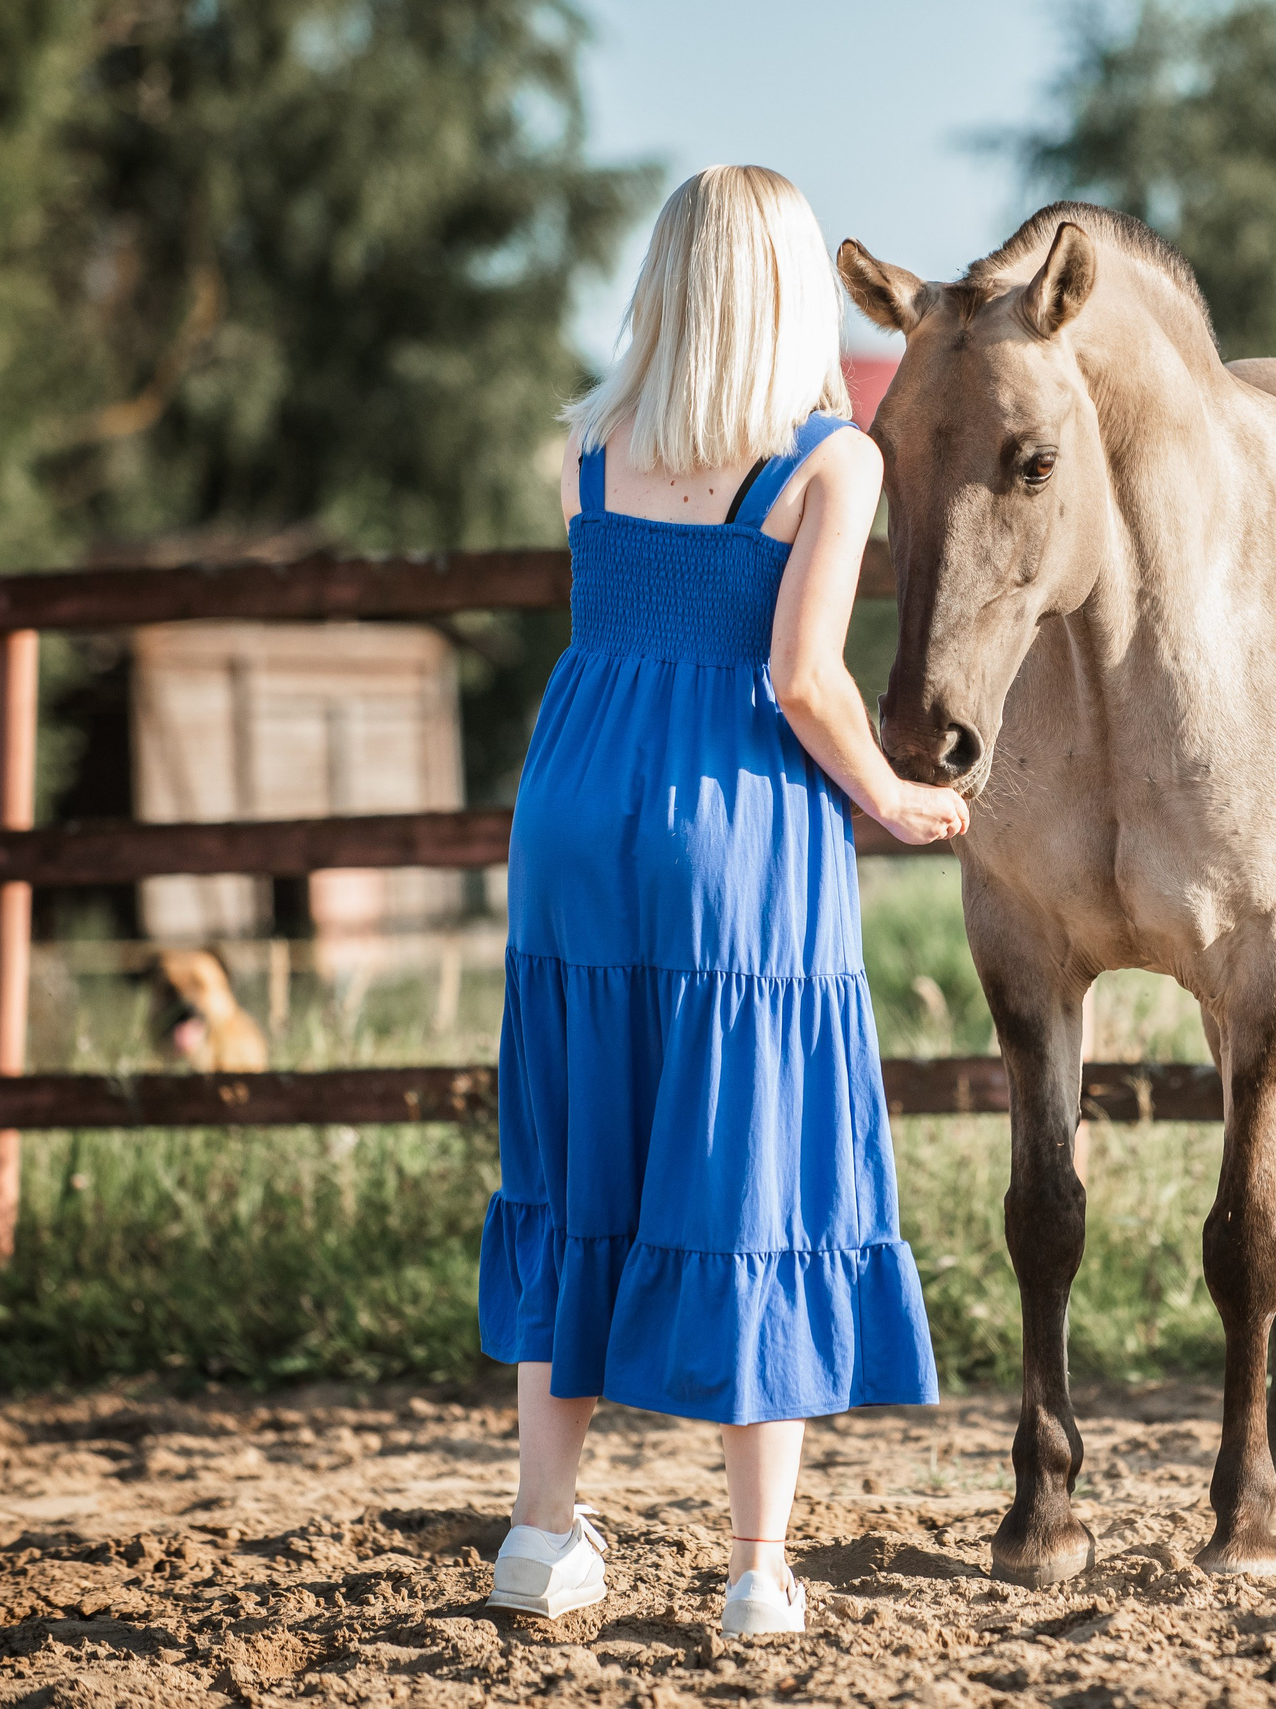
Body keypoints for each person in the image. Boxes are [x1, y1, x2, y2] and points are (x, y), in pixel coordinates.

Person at [476, 165, 968, 1636]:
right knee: (752, 1159)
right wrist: (894, 797)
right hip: (730, 828)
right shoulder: (831, 461)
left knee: (576, 1161)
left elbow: (624, 625)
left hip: (570, 807)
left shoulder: (587, 445)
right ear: (789, 286)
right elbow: (803, 680)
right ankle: (757, 1567)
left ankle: (539, 1534)